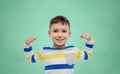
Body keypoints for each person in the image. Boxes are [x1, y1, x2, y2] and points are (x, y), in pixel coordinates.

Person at [23, 16, 94, 74]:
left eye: (64, 31)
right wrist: (27, 44)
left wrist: (89, 40)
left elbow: (87, 56)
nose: (59, 35)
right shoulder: (45, 51)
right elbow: (31, 59)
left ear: (69, 34)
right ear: (49, 33)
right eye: (55, 31)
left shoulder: (73, 50)